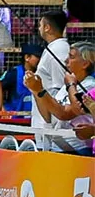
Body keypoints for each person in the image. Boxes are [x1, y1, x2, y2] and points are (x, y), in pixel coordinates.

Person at [24, 41, 95, 156]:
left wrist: (70, 85)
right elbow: (49, 114)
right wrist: (36, 90)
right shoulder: (67, 84)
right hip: (59, 147)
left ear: (85, 64)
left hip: (79, 150)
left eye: (71, 57)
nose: (66, 60)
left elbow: (65, 113)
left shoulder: (90, 86)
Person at [31, 10, 71, 149]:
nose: (39, 28)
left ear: (48, 28)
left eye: (41, 25)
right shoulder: (53, 48)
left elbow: (61, 88)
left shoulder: (59, 49)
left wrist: (52, 124)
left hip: (52, 125)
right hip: (46, 120)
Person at [1, 44, 43, 113]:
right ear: (27, 57)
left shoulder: (42, 74)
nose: (41, 60)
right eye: (38, 57)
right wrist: (2, 109)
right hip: (15, 118)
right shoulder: (14, 73)